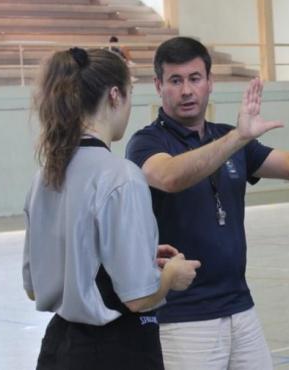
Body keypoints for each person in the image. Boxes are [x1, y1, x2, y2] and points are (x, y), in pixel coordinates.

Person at [125, 36, 289, 370]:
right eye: (175, 81)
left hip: (240, 307)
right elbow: (169, 177)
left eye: (195, 79)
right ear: (158, 86)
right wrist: (238, 137)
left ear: (210, 82)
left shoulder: (229, 136)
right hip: (182, 317)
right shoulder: (147, 142)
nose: (186, 90)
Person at [22, 47, 201, 370]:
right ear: (115, 95)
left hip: (58, 348)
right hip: (114, 349)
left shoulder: (44, 176)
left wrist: (132, 253)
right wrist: (171, 276)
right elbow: (138, 297)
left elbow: (35, 287)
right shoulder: (121, 176)